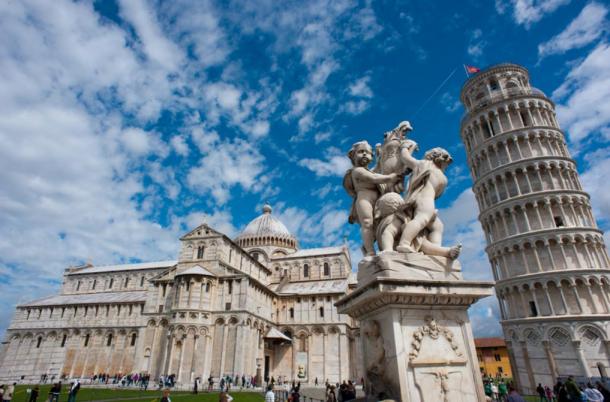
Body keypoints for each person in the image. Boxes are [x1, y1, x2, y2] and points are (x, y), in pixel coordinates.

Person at [343, 140, 400, 256]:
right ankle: (370, 251)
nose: (365, 154)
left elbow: (378, 169)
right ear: (353, 156)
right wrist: (391, 177)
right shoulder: (357, 171)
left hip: (377, 200)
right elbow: (374, 177)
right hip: (364, 199)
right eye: (361, 152)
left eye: (368, 152)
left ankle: (372, 246)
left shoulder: (369, 169)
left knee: (378, 225)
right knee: (367, 223)